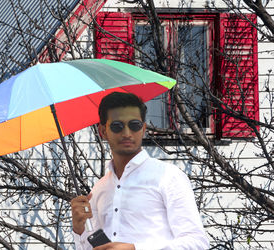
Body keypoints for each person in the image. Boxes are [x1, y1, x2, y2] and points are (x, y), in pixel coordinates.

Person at [70, 92, 209, 250]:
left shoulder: (168, 177)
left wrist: (135, 248)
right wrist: (79, 229)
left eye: (134, 125)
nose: (127, 133)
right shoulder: (99, 189)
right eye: (117, 126)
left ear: (143, 129)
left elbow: (197, 243)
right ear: (103, 131)